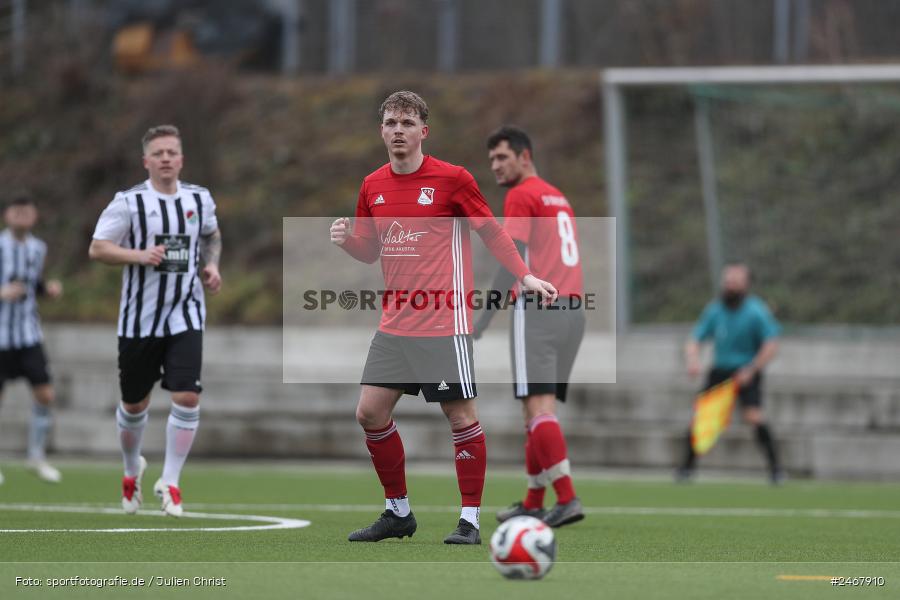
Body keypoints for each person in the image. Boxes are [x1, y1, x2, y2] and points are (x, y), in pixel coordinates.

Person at [330, 92, 557, 545]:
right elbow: (370, 249)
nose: (398, 130)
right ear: (381, 130)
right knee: (369, 413)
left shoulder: (453, 179)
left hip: (443, 323)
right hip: (394, 324)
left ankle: (470, 522)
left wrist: (526, 276)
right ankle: (398, 513)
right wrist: (346, 241)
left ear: (423, 131)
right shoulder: (372, 184)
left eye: (407, 122)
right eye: (391, 122)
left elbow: (491, 232)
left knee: (461, 417)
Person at [89, 124, 222, 516]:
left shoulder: (199, 198)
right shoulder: (128, 203)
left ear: (181, 159)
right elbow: (98, 248)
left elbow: (211, 236)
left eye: (172, 152)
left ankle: (172, 481)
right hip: (139, 321)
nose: (166, 158)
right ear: (146, 160)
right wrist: (139, 255)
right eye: (158, 153)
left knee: (187, 395)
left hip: (186, 312)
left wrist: (211, 266)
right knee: (134, 405)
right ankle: (132, 471)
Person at [472, 126, 585, 528]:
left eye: (502, 157)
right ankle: (534, 501)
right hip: (573, 312)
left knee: (537, 408)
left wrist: (482, 320)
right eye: (491, 161)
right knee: (537, 411)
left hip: (538, 310)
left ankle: (567, 498)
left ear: (525, 156)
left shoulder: (521, 195)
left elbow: (512, 262)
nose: (496, 166)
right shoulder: (557, 195)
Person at [676, 263, 784, 484]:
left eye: (735, 282)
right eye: (727, 281)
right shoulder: (715, 310)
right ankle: (686, 469)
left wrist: (752, 369)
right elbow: (695, 340)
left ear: (746, 285)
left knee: (754, 416)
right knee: (700, 419)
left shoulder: (756, 312)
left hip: (746, 372)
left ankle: (776, 469)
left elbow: (771, 344)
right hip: (720, 371)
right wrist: (693, 360)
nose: (730, 286)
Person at [0, 194, 64, 485]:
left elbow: (32, 282)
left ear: (34, 216)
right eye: (17, 211)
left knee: (46, 395)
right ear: (7, 216)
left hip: (28, 335)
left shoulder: (38, 248)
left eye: (27, 211)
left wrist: (47, 289)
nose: (22, 216)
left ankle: (36, 456)